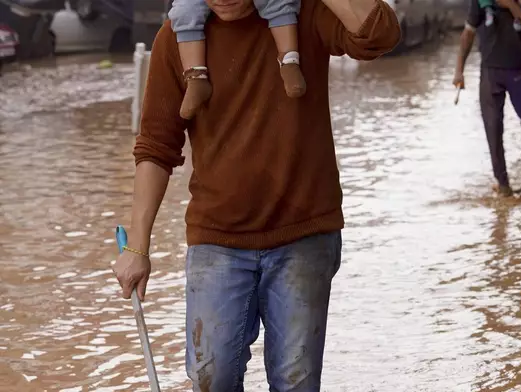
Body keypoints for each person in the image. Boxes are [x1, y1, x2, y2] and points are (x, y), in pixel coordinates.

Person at [111, 0, 401, 389]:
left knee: (295, 380)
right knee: (210, 378)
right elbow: (156, 146)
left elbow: (378, 35)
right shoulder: (178, 34)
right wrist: (138, 248)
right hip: (217, 239)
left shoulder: (305, 13)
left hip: (303, 234)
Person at [454, 0, 521, 197]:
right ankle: (503, 185)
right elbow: (468, 33)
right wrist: (459, 71)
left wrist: (513, 7)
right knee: (493, 128)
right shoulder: (482, 1)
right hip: (491, 73)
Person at [169, 0, 306, 120]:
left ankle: (289, 60)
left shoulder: (309, 15)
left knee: (279, 2)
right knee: (184, 12)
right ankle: (196, 78)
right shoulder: (169, 37)